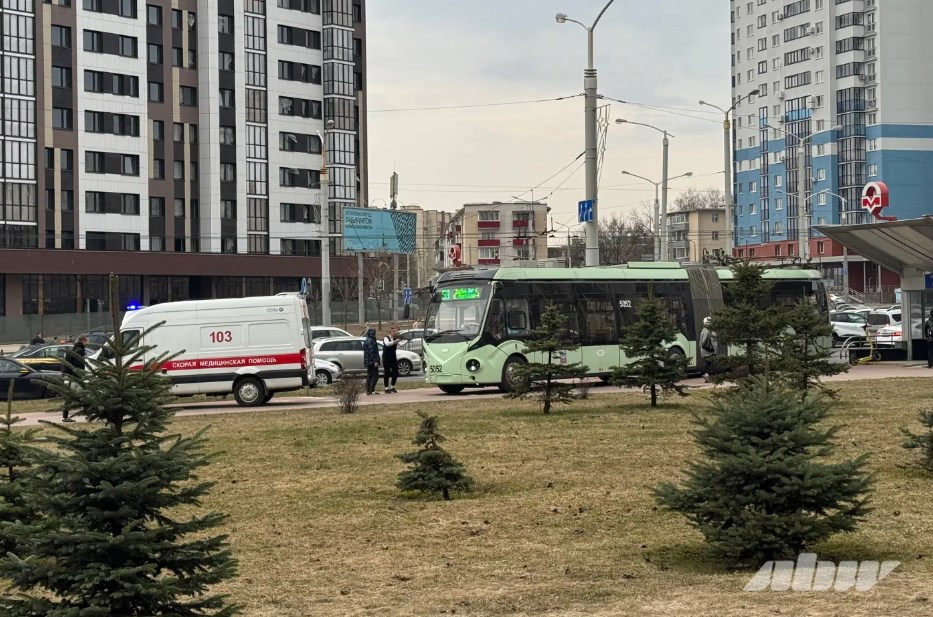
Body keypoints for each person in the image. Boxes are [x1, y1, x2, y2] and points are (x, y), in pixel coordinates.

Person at [63, 336, 88, 422]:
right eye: (87, 341)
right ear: (83, 341)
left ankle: (66, 415)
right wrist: (81, 375)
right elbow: (79, 365)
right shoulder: (80, 351)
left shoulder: (73, 349)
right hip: (76, 376)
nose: (88, 343)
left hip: (70, 375)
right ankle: (87, 412)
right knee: (79, 393)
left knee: (77, 394)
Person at [362, 328, 380, 395]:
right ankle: (371, 390)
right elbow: (372, 352)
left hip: (368, 361)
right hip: (372, 361)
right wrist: (375, 361)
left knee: (370, 375)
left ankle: (368, 389)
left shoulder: (367, 340)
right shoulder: (371, 341)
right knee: (375, 376)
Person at [382, 326, 400, 393]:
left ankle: (392, 386)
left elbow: (401, 344)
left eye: (396, 331)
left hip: (393, 357)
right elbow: (387, 344)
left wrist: (405, 340)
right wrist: (395, 341)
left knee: (395, 372)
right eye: (393, 331)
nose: (395, 333)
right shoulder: (386, 338)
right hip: (386, 357)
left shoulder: (395, 338)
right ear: (390, 332)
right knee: (387, 373)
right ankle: (386, 388)